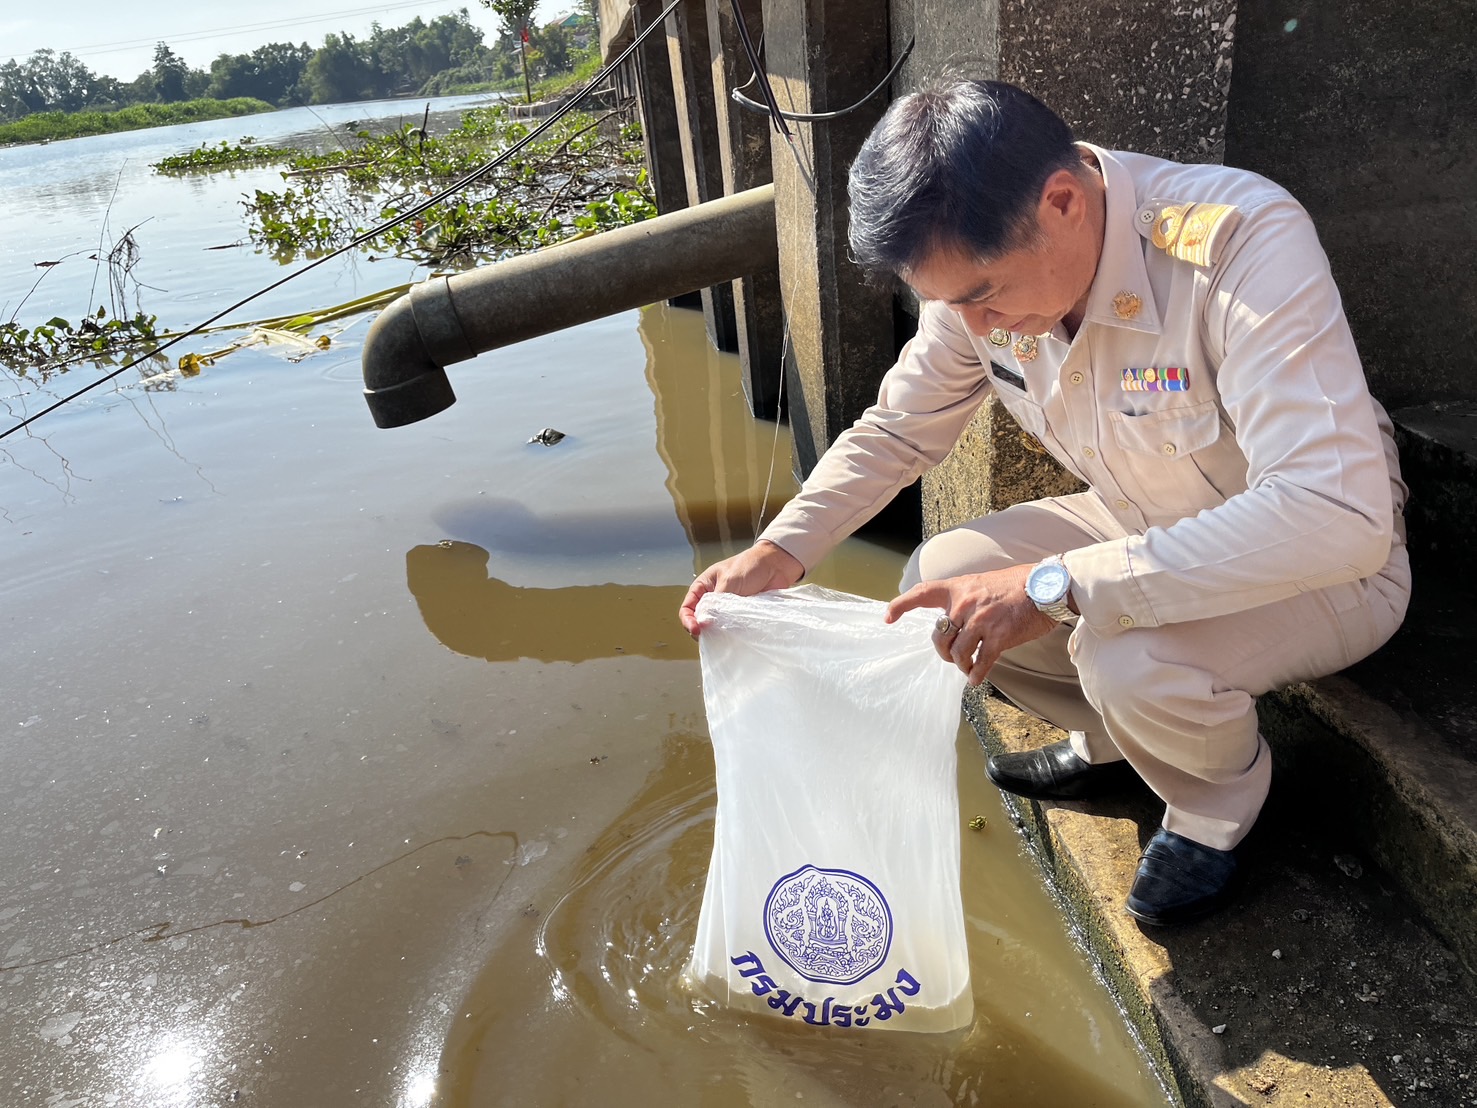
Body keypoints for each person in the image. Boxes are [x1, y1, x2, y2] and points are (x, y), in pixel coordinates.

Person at [678, 79, 1410, 926]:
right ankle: (1111, 742)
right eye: (954, 304)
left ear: (1061, 201)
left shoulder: (1237, 240)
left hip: (1323, 565)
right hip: (1142, 517)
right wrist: (779, 551)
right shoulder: (977, 281)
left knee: (1125, 658)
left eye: (982, 295)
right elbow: (897, 431)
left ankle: (1217, 806)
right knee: (939, 582)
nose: (979, 328)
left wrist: (1048, 584)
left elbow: (1334, 516)